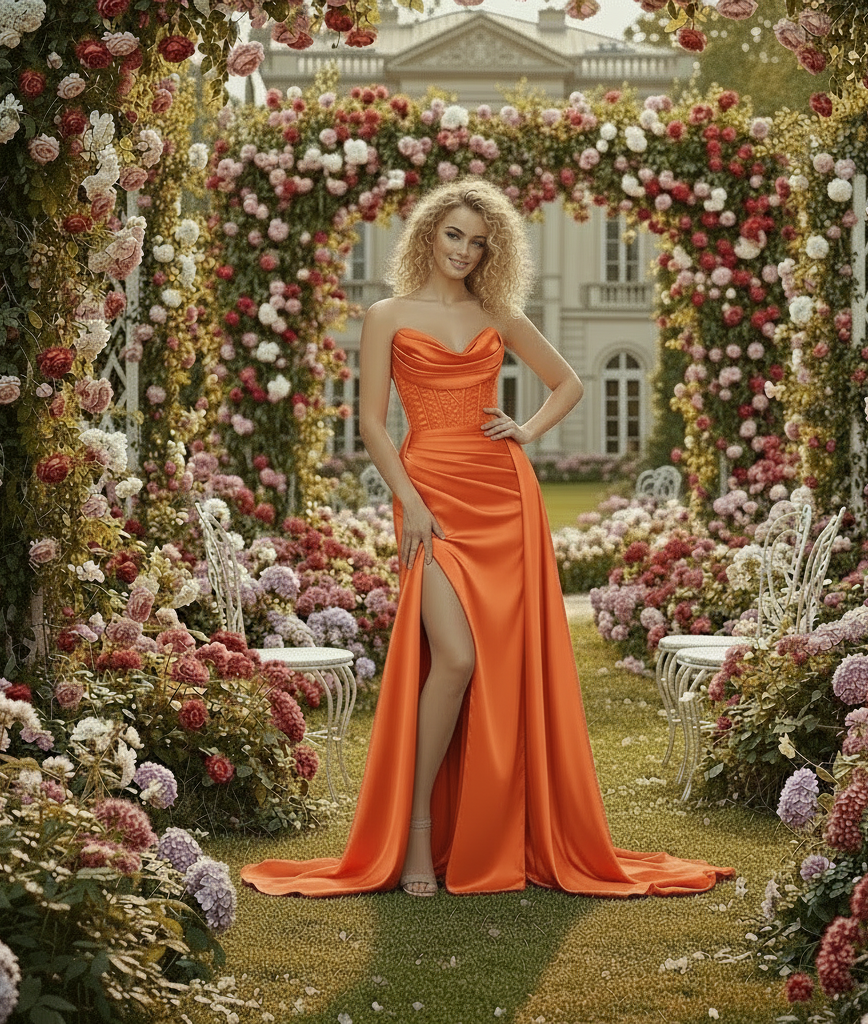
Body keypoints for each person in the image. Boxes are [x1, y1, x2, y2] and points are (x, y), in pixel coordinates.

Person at [240, 180, 734, 898]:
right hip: (429, 496)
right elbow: (375, 424)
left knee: (500, 665)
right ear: (428, 233)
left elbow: (567, 383)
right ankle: (415, 837)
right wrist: (406, 502)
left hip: (502, 495)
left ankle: (483, 829)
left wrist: (526, 431)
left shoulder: (496, 312)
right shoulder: (385, 315)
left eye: (478, 242)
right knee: (457, 658)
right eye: (454, 236)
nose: (465, 252)